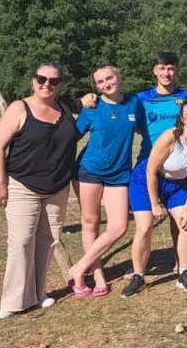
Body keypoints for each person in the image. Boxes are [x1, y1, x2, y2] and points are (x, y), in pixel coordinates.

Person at [0, 63, 77, 318]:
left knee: (48, 241)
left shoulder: (64, 109)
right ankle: (13, 302)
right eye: (42, 79)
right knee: (20, 242)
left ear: (61, 84)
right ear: (33, 81)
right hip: (22, 185)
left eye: (54, 80)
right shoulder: (19, 108)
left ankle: (39, 294)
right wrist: (0, 184)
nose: (47, 84)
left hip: (57, 187)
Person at [124, 98, 187, 296]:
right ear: (182, 119)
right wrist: (155, 203)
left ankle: (184, 273)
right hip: (147, 180)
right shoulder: (170, 137)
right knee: (144, 227)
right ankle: (138, 276)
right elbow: (150, 171)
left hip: (176, 184)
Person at [68, 65, 139, 298]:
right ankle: (97, 274)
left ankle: (79, 267)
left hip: (119, 174)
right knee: (91, 222)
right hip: (89, 170)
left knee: (119, 226)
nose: (106, 84)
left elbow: (147, 127)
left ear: (119, 77)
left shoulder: (133, 103)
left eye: (109, 78)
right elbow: (71, 136)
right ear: (96, 87)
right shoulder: (92, 106)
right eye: (100, 82)